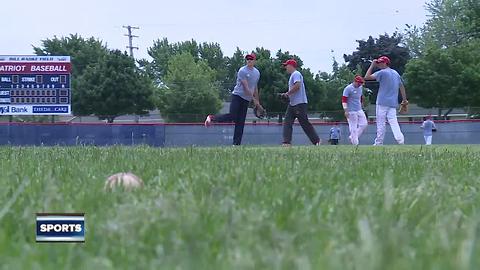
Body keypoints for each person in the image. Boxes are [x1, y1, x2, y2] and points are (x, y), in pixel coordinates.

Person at [204, 53, 264, 145]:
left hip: (246, 99)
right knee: (232, 116)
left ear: (254, 61)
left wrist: (258, 102)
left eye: (251, 59)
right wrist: (254, 100)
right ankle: (211, 118)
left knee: (240, 122)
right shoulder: (242, 71)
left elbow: (255, 87)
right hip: (237, 96)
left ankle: (236, 144)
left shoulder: (257, 73)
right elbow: (246, 88)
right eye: (247, 59)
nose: (249, 60)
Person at [364, 56, 408, 145]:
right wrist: (404, 99)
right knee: (393, 122)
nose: (379, 64)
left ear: (385, 63)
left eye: (380, 62)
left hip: (382, 102)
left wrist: (372, 65)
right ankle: (400, 140)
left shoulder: (382, 72)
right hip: (392, 103)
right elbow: (401, 86)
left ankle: (379, 142)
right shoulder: (396, 73)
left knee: (381, 123)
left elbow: (366, 77)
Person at [281, 59, 320, 146]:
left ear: (291, 66)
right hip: (292, 104)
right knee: (287, 122)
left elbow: (297, 86)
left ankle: (317, 141)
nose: (285, 67)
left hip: (299, 104)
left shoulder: (296, 74)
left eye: (286, 65)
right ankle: (286, 142)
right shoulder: (293, 75)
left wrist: (287, 94)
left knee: (304, 123)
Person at [342, 75, 368, 145]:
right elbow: (344, 100)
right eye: (359, 83)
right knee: (353, 127)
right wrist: (346, 110)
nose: (360, 84)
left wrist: (362, 104)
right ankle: (355, 143)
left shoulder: (360, 87)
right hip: (351, 110)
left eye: (361, 83)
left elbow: (360, 96)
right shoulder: (348, 89)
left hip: (359, 109)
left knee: (364, 124)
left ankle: (352, 137)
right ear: (355, 81)